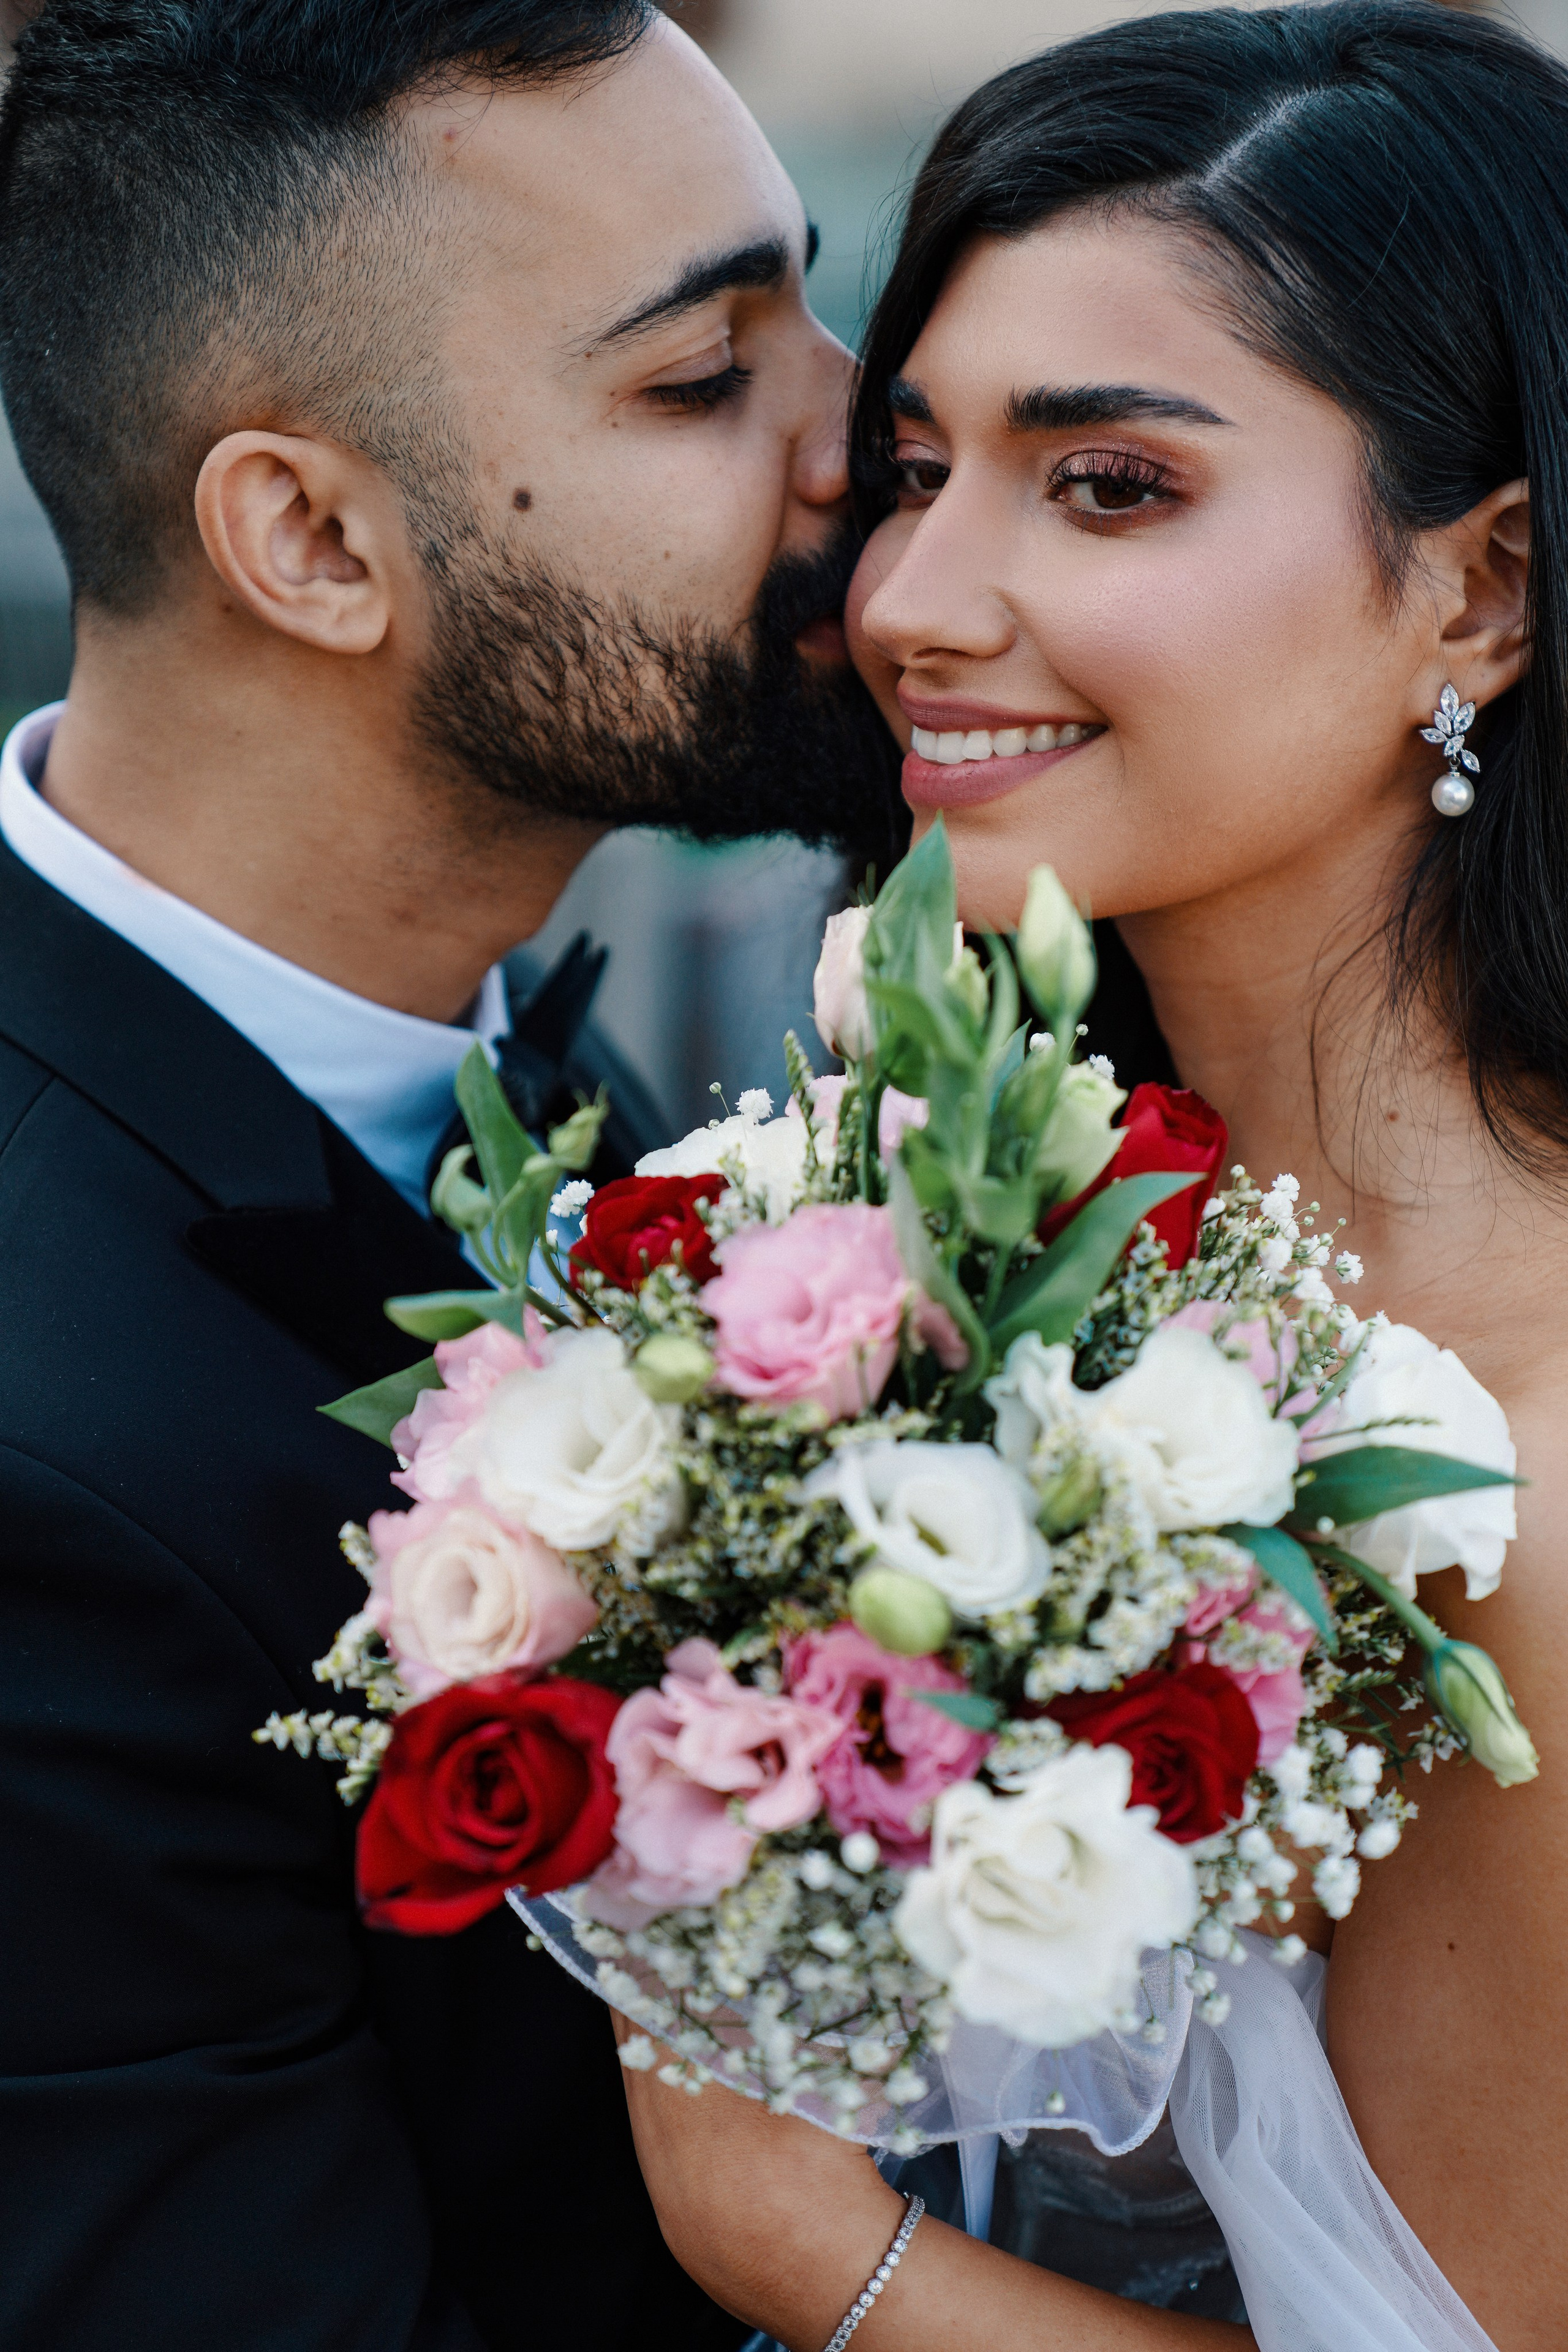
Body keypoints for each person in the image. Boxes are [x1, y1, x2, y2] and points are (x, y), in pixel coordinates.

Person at [610, 6, 1568, 2348]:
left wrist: (778, 2223)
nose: (917, 604)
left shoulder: (1521, 1486)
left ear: (1483, 587)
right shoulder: (927, 1233)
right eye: (916, 468)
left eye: (1110, 483)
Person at [0, 4, 900, 2348]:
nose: (869, 436)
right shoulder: (27, 1454)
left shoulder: (584, 1091)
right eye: (705, 380)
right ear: (306, 536)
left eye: (805, 305)